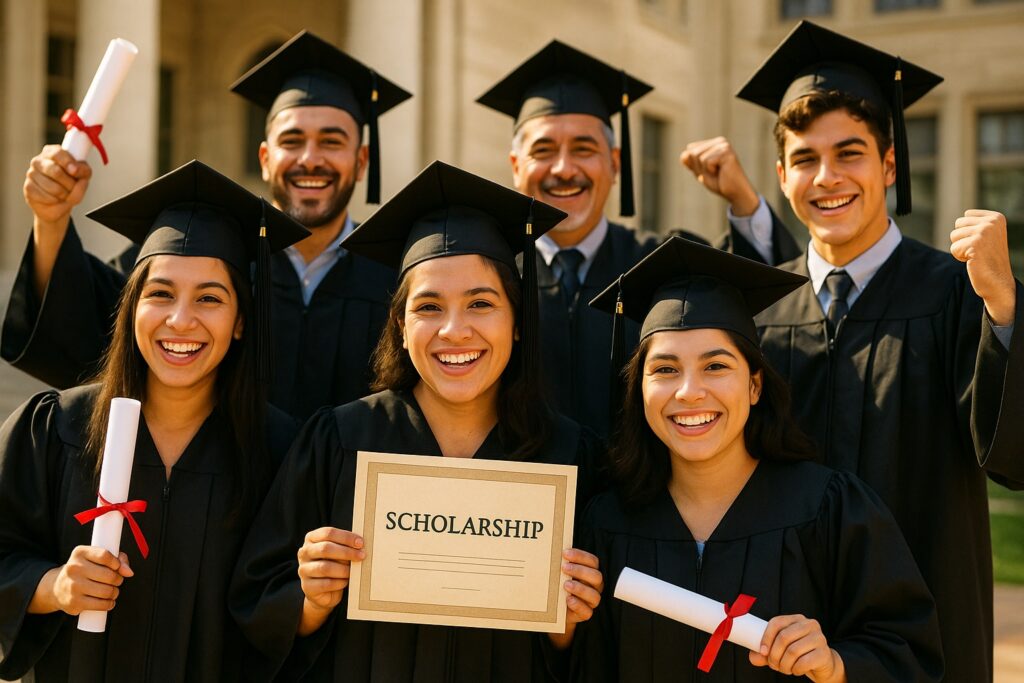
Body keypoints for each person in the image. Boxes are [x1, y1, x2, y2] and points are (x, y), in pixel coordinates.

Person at [684, 21, 1023, 682]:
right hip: (780, 634)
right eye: (806, 159)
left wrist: (1007, 308)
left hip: (928, 634)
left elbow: (1011, 457)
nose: (827, 177)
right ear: (781, 176)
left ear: (890, 164)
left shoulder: (957, 294)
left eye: (850, 153)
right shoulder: (764, 312)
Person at [230, 161, 604, 681]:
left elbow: (602, 652)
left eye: (481, 303)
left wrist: (568, 624)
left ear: (517, 323)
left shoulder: (567, 455)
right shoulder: (340, 441)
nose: (455, 330)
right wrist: (309, 598)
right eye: (429, 306)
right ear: (401, 328)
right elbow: (255, 607)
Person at [572, 236, 943, 682]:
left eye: (716, 366)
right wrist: (564, 630)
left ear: (754, 386)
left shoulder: (828, 511)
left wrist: (836, 665)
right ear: (639, 391)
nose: (689, 391)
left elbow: (909, 655)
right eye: (665, 370)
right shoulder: (606, 526)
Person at [0, 161, 307, 682]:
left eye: (210, 298)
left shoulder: (282, 453)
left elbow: (285, 615)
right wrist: (54, 586)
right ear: (131, 309)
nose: (180, 319)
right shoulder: (55, 429)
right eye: (160, 293)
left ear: (239, 324)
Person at [1, 30, 410, 420]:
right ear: (265, 158)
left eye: (331, 142)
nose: (309, 158)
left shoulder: (396, 278)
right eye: (292, 141)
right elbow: (87, 321)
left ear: (360, 162)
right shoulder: (209, 254)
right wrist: (51, 220)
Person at [476, 41, 796, 437]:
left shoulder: (661, 264)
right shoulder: (491, 276)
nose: (563, 168)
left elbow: (770, 309)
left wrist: (744, 203)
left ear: (614, 163)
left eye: (583, 148)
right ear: (515, 167)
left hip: (639, 495)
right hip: (524, 493)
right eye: (544, 150)